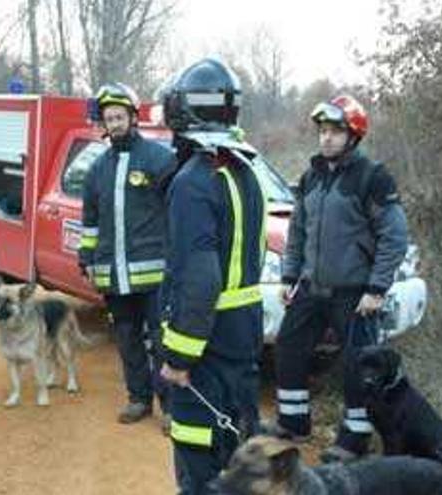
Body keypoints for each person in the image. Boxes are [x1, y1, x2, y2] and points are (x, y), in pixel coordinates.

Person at [267, 95, 408, 462]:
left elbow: (394, 236)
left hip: (355, 294)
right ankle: (293, 422)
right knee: (288, 349)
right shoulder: (311, 177)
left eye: (335, 131)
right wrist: (289, 275)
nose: (326, 138)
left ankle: (353, 441)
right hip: (312, 288)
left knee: (356, 367)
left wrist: (377, 288)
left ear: (354, 135)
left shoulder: (372, 178)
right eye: (323, 131)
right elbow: (297, 230)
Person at [158, 58, 267, 494]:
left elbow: (200, 281)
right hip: (242, 341)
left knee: (200, 470)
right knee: (238, 463)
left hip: (206, 350)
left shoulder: (192, 181)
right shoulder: (246, 170)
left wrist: (179, 358)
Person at [78, 82, 174, 428]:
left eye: (120, 117)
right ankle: (138, 399)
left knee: (163, 343)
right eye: (109, 118)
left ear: (133, 118)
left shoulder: (160, 160)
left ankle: (172, 407)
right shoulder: (96, 170)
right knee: (128, 340)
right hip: (113, 277)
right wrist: (85, 258)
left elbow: (176, 212)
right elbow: (89, 222)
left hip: (155, 277)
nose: (115, 124)